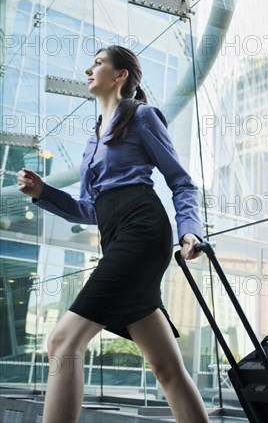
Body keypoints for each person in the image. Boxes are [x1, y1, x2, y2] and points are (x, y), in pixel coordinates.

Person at [17, 45, 209, 423]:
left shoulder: (142, 117)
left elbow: (182, 183)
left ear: (121, 75)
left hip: (142, 231)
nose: (90, 70)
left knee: (63, 340)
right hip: (116, 237)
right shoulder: (94, 138)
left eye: (99, 63)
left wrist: (190, 231)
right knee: (166, 369)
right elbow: (90, 209)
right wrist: (44, 193)